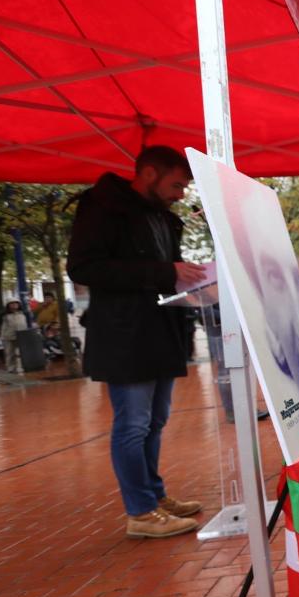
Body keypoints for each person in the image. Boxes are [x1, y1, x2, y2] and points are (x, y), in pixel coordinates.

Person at [67, 145, 205, 539]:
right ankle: (140, 512)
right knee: (133, 424)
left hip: (158, 330)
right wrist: (165, 271)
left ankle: (154, 497)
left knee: (154, 421)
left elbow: (163, 271)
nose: (181, 194)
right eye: (176, 184)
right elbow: (83, 267)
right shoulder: (102, 208)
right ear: (148, 174)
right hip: (125, 334)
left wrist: (188, 282)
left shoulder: (161, 217)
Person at [0, 299, 29, 373]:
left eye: (16, 303)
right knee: (10, 353)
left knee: (22, 353)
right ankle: (11, 368)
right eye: (12, 304)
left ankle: (23, 366)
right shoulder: (4, 315)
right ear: (8, 305)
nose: (14, 305)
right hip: (8, 336)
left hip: (21, 336)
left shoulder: (23, 313)